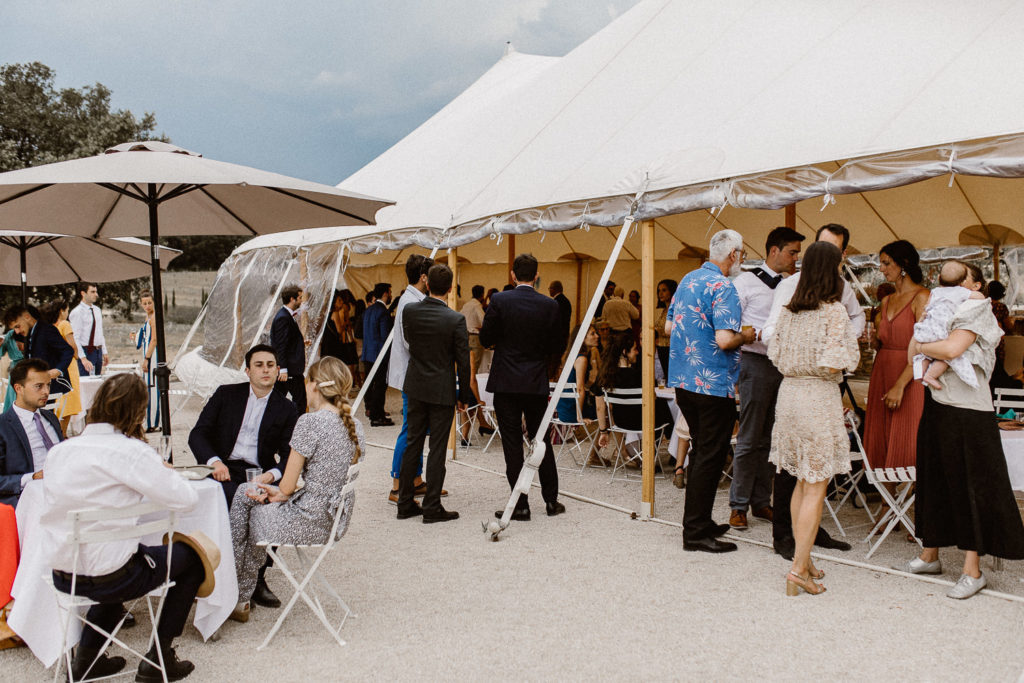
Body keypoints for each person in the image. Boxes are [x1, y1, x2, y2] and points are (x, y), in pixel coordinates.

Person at [40, 373, 202, 681]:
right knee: (191, 558)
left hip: (63, 574)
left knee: (122, 555)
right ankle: (159, 659)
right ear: (137, 412)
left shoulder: (60, 451)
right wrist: (162, 471)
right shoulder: (131, 452)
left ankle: (86, 661)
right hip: (111, 577)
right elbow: (187, 499)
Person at [904, 260, 1024, 598]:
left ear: (976, 286)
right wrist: (925, 343)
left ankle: (973, 569)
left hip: (969, 410)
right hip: (937, 404)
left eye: (961, 282)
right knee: (934, 478)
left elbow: (951, 348)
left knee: (971, 485)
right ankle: (930, 553)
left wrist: (924, 346)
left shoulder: (978, 310)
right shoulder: (944, 307)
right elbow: (912, 350)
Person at [230, 356, 364, 616]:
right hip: (333, 521)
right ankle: (242, 590)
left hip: (306, 521)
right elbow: (312, 485)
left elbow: (288, 485)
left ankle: (234, 589)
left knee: (244, 496)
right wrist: (278, 493)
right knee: (254, 503)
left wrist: (279, 492)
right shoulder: (355, 426)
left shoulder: (309, 423)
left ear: (313, 385)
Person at [762, 224, 864, 559]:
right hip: (817, 397)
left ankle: (803, 553)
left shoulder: (792, 311)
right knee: (813, 484)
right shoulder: (832, 311)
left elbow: (775, 351)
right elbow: (843, 360)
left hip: (790, 393)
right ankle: (799, 565)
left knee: (800, 481)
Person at [188, 344, 298, 609]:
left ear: (276, 370)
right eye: (259, 365)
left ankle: (256, 575)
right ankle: (217, 574)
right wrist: (214, 462)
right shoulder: (226, 395)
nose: (265, 370)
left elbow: (289, 455)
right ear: (247, 370)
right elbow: (198, 434)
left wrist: (271, 476)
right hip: (224, 469)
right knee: (221, 506)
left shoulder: (286, 408)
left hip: (258, 473)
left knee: (271, 510)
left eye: (270, 365)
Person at [666, 229, 754, 553]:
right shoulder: (723, 287)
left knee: (703, 452)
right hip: (712, 384)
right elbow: (724, 340)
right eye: (741, 254)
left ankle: (699, 521)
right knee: (709, 457)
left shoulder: (687, 280)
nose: (740, 260)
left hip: (684, 380)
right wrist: (746, 335)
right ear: (733, 255)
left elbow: (668, 327)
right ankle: (695, 532)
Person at [480, 253, 567, 520]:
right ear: (537, 276)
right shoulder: (549, 305)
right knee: (540, 439)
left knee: (512, 442)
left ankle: (520, 503)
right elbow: (557, 345)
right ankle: (551, 500)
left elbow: (485, 338)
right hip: (534, 379)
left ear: (513, 275)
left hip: (506, 379)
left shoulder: (499, 300)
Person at [728, 227, 804, 530]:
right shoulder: (745, 282)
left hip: (783, 367)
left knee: (771, 439)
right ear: (774, 251)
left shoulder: (793, 286)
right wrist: (754, 334)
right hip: (755, 363)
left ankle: (761, 501)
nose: (796, 258)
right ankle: (738, 505)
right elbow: (731, 328)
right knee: (748, 438)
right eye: (792, 252)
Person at [396, 264, 475, 523]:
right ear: (451, 288)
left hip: (416, 384)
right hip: (441, 388)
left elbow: (409, 341)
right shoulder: (455, 319)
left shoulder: (409, 310)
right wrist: (465, 394)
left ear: (427, 284)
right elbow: (463, 362)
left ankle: (405, 502)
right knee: (437, 448)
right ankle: (431, 506)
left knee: (413, 444)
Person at [863, 240, 929, 470]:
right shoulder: (886, 300)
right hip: (882, 369)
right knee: (881, 435)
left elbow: (923, 347)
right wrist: (874, 339)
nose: (881, 269)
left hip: (909, 373)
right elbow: (881, 340)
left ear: (904, 264)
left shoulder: (922, 297)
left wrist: (900, 385)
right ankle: (885, 504)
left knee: (909, 436)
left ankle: (914, 499)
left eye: (886, 263)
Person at [387, 255, 435, 502]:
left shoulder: (413, 300)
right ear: (424, 277)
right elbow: (410, 341)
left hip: (413, 374)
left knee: (416, 427)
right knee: (409, 429)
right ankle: (397, 484)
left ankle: (415, 480)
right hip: (411, 374)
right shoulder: (409, 303)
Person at [0, 359, 63, 507]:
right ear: (18, 388)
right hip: (27, 500)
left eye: (48, 385)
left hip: (62, 491)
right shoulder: (3, 426)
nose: (46, 392)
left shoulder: (50, 418)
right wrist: (32, 478)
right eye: (38, 386)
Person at [913, 262, 985, 389]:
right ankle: (930, 375)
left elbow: (927, 307)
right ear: (962, 282)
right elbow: (980, 297)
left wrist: (920, 347)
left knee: (926, 355)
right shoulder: (961, 292)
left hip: (929, 327)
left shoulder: (935, 291)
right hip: (942, 329)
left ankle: (919, 372)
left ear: (939, 278)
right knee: (944, 358)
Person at [2, 305, 74, 402]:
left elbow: (68, 350)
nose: (17, 331)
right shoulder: (29, 333)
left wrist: (58, 370)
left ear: (27, 316)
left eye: (17, 326)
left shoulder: (47, 330)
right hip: (35, 387)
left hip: (48, 387)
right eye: (15, 329)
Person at [555, 324, 602, 464]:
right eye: (593, 333)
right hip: (571, 410)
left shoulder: (571, 355)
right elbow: (579, 389)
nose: (597, 336)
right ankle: (595, 455)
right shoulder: (582, 359)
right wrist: (579, 417)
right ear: (582, 338)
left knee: (606, 409)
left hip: (563, 406)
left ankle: (599, 455)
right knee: (608, 412)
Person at [40, 299, 83, 433]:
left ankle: (57, 431)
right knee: (70, 399)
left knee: (59, 399)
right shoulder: (65, 324)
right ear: (61, 311)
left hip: (56, 363)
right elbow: (72, 346)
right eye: (67, 310)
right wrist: (77, 355)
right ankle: (63, 432)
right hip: (68, 365)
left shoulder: (49, 326)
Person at [459, 284, 495, 440]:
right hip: (474, 337)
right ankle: (482, 418)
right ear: (481, 295)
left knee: (469, 371)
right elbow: (484, 320)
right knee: (476, 371)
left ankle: (481, 423)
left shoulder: (467, 304)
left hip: (465, 336)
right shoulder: (477, 306)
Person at [270, 285, 307, 413]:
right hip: (290, 369)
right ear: (292, 299)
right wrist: (283, 369)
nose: (301, 301)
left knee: (277, 399)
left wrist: (301, 342)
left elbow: (287, 340)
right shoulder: (283, 318)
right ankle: (297, 428)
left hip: (288, 368)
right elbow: (280, 345)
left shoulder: (285, 316)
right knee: (300, 400)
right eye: (300, 297)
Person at [361, 282, 393, 426]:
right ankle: (377, 415)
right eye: (390, 293)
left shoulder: (368, 310)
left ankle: (371, 410)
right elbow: (386, 336)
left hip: (367, 352)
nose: (391, 295)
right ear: (385, 294)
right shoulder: (383, 312)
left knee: (370, 384)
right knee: (380, 385)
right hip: (379, 354)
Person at [132, 290, 160, 432]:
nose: (147, 306)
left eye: (149, 303)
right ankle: (152, 421)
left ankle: (152, 423)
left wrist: (147, 359)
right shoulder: (147, 317)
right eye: (144, 303)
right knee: (149, 387)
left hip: (153, 355)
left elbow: (154, 339)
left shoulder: (154, 318)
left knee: (152, 387)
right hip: (148, 352)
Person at [68, 281, 107, 377]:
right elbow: (75, 337)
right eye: (92, 292)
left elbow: (100, 332)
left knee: (97, 382)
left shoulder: (97, 310)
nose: (96, 295)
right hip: (86, 351)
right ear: (83, 293)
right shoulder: (77, 312)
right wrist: (83, 358)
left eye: (96, 292)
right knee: (85, 383)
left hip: (98, 351)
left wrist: (104, 352)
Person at [654, 279, 677, 378]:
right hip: (661, 347)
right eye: (659, 291)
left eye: (664, 290)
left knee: (671, 376)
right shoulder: (662, 310)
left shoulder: (676, 309)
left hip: (672, 348)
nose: (660, 293)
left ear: (671, 291)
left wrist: (658, 330)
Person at [1, 324, 25, 413]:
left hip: (29, 369)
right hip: (15, 369)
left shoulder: (31, 333)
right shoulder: (10, 335)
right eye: (16, 327)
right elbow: (2, 351)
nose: (18, 329)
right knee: (14, 396)